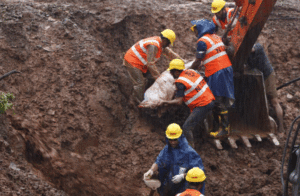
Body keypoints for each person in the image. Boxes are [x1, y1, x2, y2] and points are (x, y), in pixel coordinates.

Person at [190, 19, 235, 137]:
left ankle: (224, 129)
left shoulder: (202, 41)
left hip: (217, 71)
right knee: (221, 99)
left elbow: (198, 60)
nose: (194, 33)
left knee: (217, 100)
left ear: (200, 29)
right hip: (226, 69)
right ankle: (220, 127)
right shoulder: (215, 37)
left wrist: (189, 70)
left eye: (195, 30)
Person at [157, 59, 215, 147]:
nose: (171, 74)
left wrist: (164, 102)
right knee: (196, 120)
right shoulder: (191, 71)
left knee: (186, 127)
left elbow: (179, 101)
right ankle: (204, 137)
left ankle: (190, 150)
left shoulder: (181, 82)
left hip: (203, 105)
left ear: (176, 72)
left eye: (172, 72)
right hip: (210, 100)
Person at [143, 123, 205, 196]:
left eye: (175, 139)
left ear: (180, 137)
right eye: (170, 139)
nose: (172, 142)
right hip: (168, 185)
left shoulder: (189, 153)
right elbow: (159, 160)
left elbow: (199, 173)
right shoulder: (167, 149)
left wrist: (183, 176)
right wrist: (151, 170)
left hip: (183, 187)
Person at [123, 29, 183, 104]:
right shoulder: (153, 46)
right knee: (139, 83)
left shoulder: (160, 43)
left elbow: (169, 52)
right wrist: (158, 77)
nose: (168, 45)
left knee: (151, 78)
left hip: (142, 62)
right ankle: (138, 101)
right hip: (132, 61)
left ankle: (146, 92)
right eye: (168, 43)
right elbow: (150, 64)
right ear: (165, 40)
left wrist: (181, 61)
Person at [247, 43, 284, 133]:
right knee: (262, 103)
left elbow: (252, 49)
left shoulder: (257, 46)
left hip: (268, 75)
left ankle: (281, 128)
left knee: (274, 102)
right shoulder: (245, 55)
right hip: (258, 77)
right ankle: (264, 126)